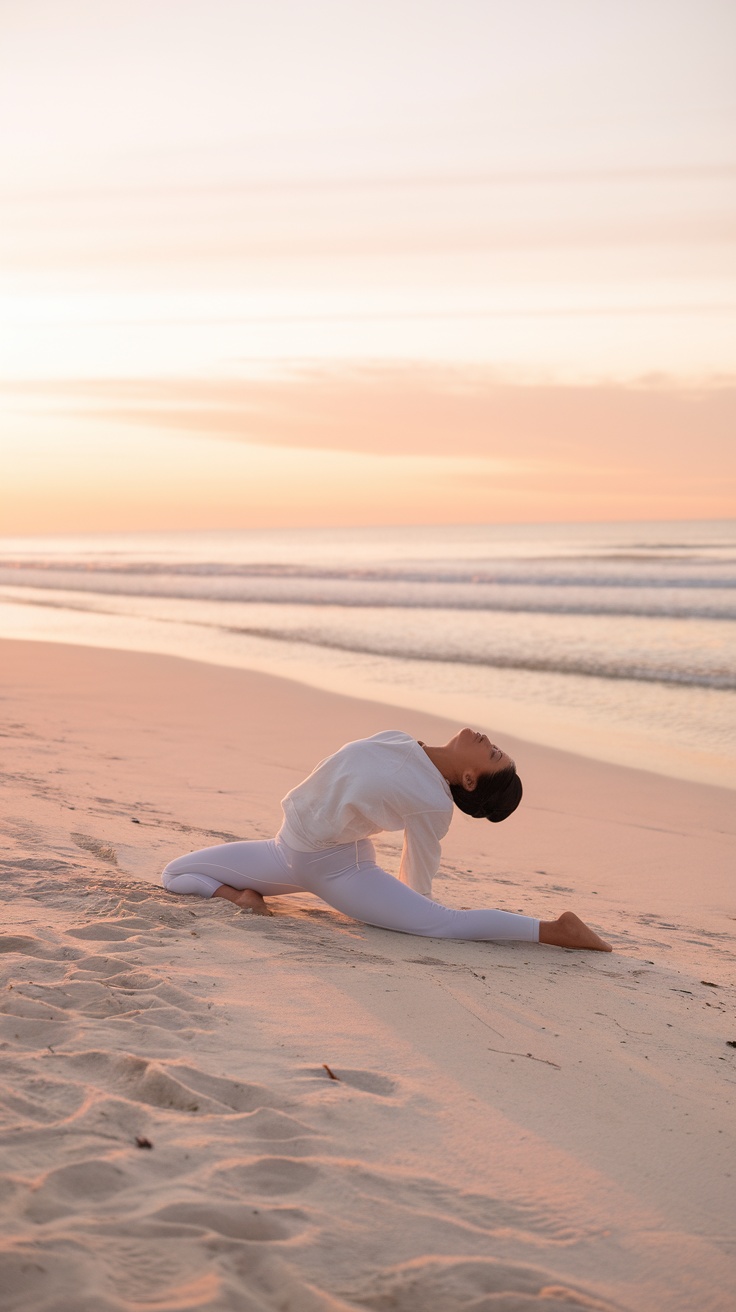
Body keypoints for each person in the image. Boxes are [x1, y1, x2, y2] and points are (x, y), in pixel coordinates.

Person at [161, 728, 611, 951]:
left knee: (444, 924)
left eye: (491, 753)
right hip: (285, 849)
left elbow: (421, 866)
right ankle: (241, 898)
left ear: (470, 779)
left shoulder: (433, 802)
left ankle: (554, 931)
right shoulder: (401, 740)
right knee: (176, 873)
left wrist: (412, 911)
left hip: (337, 869)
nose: (486, 739)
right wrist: (237, 893)